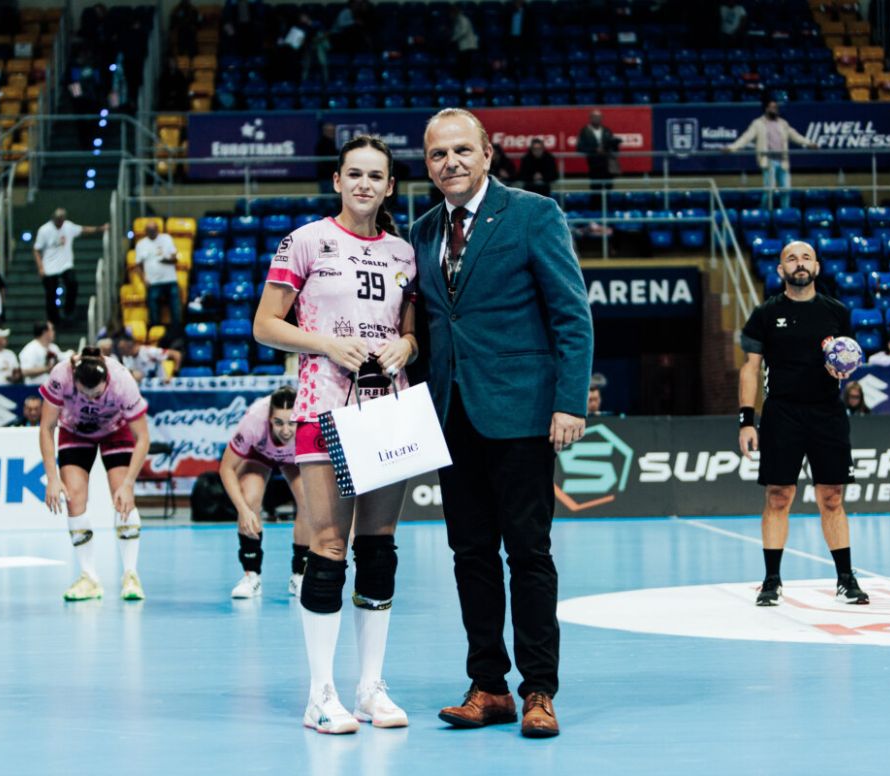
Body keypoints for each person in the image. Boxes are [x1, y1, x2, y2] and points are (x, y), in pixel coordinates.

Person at [411, 108, 593, 738]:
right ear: (427, 164)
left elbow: (572, 313)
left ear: (487, 153)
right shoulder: (422, 230)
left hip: (521, 411)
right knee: (470, 555)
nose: (451, 163)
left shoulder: (534, 214)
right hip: (450, 413)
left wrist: (571, 402)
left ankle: (539, 688)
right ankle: (488, 685)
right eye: (438, 154)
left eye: (462, 150)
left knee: (529, 553)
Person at [254, 135, 418, 734]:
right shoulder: (305, 241)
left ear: (390, 186)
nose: (364, 184)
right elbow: (264, 325)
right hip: (323, 408)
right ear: (337, 180)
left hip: (386, 411)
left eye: (376, 176)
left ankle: (370, 687)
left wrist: (407, 346)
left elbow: (411, 332)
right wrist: (325, 343)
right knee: (327, 547)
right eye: (355, 174)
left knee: (379, 548)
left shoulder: (403, 252)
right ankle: (320, 694)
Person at [738, 240, 869, 608]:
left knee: (832, 497)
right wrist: (746, 419)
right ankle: (771, 581)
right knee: (778, 496)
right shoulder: (765, 314)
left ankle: (845, 579)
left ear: (817, 267)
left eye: (806, 258)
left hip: (827, 412)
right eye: (792, 258)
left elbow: (849, 357)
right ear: (781, 269)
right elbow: (750, 368)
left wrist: (843, 369)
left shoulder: (837, 312)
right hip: (782, 413)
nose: (800, 263)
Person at [39, 348, 150, 602]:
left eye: (97, 395)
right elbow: (46, 427)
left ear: (106, 382)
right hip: (74, 430)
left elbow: (143, 437)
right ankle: (89, 577)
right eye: (84, 394)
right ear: (75, 380)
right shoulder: (61, 376)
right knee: (74, 500)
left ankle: (130, 575)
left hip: (115, 430)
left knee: (123, 499)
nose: (91, 400)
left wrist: (128, 483)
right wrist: (52, 477)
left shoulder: (122, 381)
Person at [219, 386, 310, 599]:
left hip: (295, 457)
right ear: (269, 418)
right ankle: (251, 576)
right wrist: (243, 510)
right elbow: (226, 468)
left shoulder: (310, 420)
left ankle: (300, 574)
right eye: (278, 423)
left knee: (309, 501)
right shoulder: (254, 421)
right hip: (259, 455)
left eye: (291, 423)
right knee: (249, 499)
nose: (285, 430)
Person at [726, 98, 816, 210]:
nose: (774, 109)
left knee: (786, 190)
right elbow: (746, 138)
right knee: (769, 191)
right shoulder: (758, 124)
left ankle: (785, 213)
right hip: (769, 161)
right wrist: (732, 148)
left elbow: (795, 136)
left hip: (783, 161)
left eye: (775, 107)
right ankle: (764, 212)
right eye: (772, 107)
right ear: (766, 109)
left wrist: (809, 143)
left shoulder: (783, 124)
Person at [33, 208, 108, 326]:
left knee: (73, 283)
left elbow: (83, 229)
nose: (60, 222)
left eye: (62, 220)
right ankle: (53, 320)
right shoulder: (44, 230)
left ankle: (68, 310)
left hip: (65, 264)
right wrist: (40, 267)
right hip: (49, 267)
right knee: (51, 295)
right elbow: (36, 250)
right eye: (58, 220)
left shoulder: (68, 226)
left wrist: (100, 228)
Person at [134, 221, 182, 329]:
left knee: (175, 306)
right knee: (153, 308)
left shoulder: (167, 238)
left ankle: (177, 330)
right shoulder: (141, 244)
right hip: (153, 282)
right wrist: (143, 279)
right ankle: (155, 331)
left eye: (154, 229)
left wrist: (168, 260)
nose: (152, 232)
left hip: (170, 280)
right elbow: (137, 266)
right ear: (145, 231)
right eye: (150, 230)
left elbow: (175, 259)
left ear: (158, 229)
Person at [113, 329, 182, 383]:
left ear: (129, 345)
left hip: (159, 388)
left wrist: (173, 376)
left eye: (122, 349)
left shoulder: (149, 352)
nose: (120, 352)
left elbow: (177, 355)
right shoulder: (126, 359)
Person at [577, 110, 620, 192]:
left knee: (608, 188)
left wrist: (613, 145)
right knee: (596, 189)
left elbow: (613, 146)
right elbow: (580, 147)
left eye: (599, 117)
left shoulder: (606, 130)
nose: (597, 119)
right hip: (594, 165)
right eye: (595, 117)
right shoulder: (585, 131)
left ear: (602, 118)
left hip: (607, 164)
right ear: (590, 118)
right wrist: (594, 150)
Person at [19, 321, 66, 386]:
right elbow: (25, 371)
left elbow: (62, 359)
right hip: (35, 388)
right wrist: (47, 368)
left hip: (52, 387)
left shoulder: (54, 347)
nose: (54, 332)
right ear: (44, 332)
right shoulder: (30, 349)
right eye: (52, 329)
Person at [449, 4, 479, 80]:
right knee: (463, 63)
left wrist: (453, 39)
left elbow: (463, 31)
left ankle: (466, 79)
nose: (450, 15)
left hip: (468, 45)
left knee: (466, 63)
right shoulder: (457, 20)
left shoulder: (463, 19)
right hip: (463, 46)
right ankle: (463, 78)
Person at [315, 123, 338, 194]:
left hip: (335, 175)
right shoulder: (321, 144)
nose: (331, 133)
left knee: (335, 197)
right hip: (326, 176)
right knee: (327, 197)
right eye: (329, 131)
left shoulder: (336, 143)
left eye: (332, 131)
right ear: (324, 132)